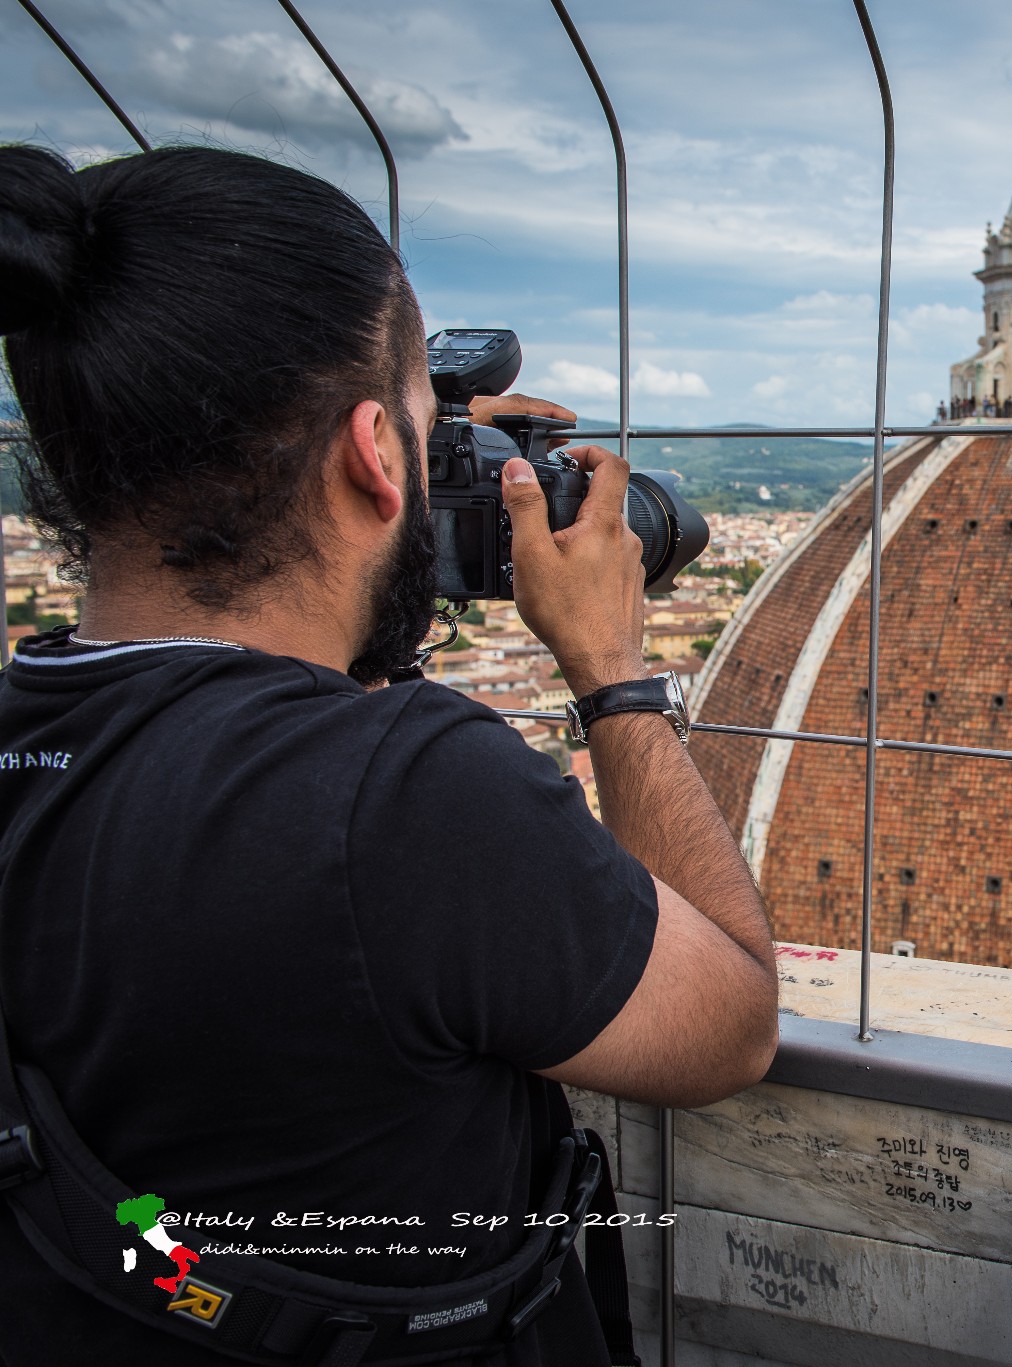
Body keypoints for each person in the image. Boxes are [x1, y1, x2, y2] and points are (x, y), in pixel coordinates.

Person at [0, 144, 778, 1364]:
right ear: (374, 455)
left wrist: (395, 529)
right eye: (420, 430)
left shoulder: (36, 730)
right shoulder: (404, 798)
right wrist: (613, 673)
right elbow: (729, 1023)